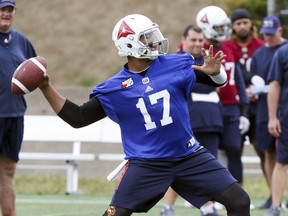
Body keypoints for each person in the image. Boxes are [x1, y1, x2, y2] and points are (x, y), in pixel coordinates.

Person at [37, 14, 251, 216]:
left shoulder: (176, 64)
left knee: (239, 201)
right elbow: (78, 117)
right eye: (146, 37)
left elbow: (218, 81)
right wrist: (46, 87)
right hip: (147, 163)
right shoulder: (114, 89)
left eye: (153, 35)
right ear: (129, 44)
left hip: (188, 156)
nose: (155, 41)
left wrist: (216, 72)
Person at [160, 25, 223, 216]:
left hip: (206, 119)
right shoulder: (170, 62)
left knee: (207, 166)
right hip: (179, 123)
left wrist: (212, 74)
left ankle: (207, 206)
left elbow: (215, 86)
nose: (197, 43)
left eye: (200, 40)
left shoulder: (208, 61)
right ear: (184, 40)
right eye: (193, 40)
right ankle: (167, 207)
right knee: (176, 166)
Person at [196, 6, 250, 186]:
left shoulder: (230, 47)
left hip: (231, 106)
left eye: (223, 27)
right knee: (209, 152)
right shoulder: (197, 49)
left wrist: (244, 110)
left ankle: (239, 192)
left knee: (234, 149)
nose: (223, 31)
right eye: (218, 27)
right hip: (210, 107)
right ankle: (209, 194)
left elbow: (239, 79)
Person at [221, 7, 265, 203]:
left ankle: (274, 196)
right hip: (237, 105)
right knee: (234, 151)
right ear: (233, 27)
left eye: (245, 22)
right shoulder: (227, 46)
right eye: (238, 23)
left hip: (260, 105)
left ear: (251, 24)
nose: (242, 26)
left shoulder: (261, 46)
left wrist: (256, 88)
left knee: (263, 150)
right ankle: (239, 196)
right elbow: (234, 71)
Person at [0, 0, 37, 215]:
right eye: (2, 10)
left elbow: (34, 70)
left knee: (8, 171)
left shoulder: (21, 41)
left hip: (15, 115)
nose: (6, 14)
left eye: (9, 10)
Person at [250, 15, 287, 211]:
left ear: (280, 31)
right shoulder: (259, 54)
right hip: (267, 111)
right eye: (265, 34)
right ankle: (274, 197)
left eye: (272, 34)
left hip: (284, 109)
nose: (268, 38)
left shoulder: (284, 50)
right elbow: (254, 82)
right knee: (269, 154)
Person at [265, 29, 288, 216]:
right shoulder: (283, 52)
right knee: (282, 162)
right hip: (286, 118)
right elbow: (275, 85)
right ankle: (275, 205)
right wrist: (272, 117)